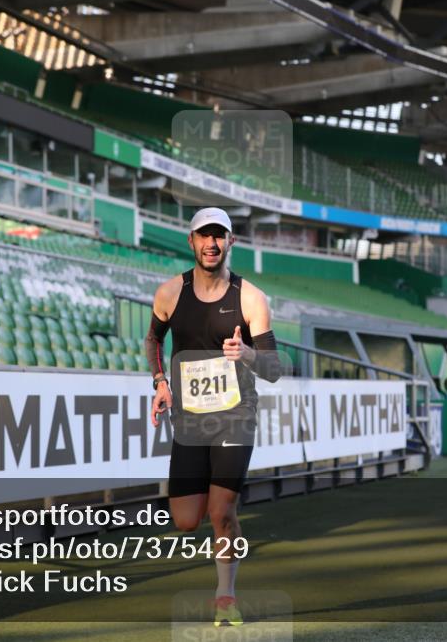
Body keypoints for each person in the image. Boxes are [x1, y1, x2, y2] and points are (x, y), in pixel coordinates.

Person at [146, 207, 281, 627]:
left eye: (219, 236)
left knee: (221, 511)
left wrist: (247, 354)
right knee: (186, 521)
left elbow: (275, 368)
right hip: (189, 420)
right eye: (204, 236)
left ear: (231, 241)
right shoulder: (170, 293)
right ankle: (226, 525)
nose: (211, 243)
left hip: (235, 417)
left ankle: (225, 595)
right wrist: (160, 381)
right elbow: (153, 338)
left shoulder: (250, 298)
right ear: (191, 242)